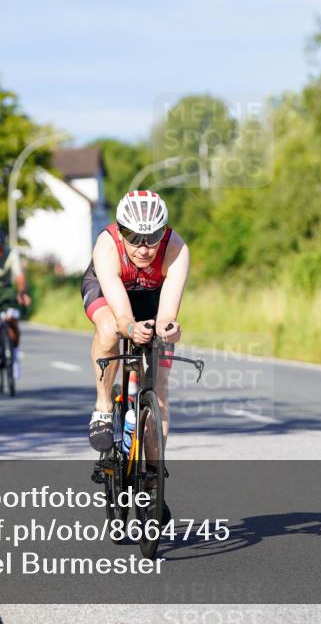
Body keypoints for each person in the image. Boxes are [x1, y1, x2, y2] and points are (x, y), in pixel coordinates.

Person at [81, 191, 189, 495]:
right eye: (133, 236)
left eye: (152, 237)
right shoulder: (107, 245)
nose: (143, 248)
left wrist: (170, 329)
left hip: (150, 297)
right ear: (120, 230)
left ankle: (153, 473)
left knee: (161, 388)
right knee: (109, 331)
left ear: (164, 232)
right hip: (109, 293)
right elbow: (122, 317)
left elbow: (167, 313)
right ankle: (103, 407)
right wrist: (130, 327)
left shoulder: (176, 249)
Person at [0, 223, 31, 378]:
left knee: (12, 319)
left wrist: (21, 292)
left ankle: (15, 356)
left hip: (6, 289)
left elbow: (19, 276)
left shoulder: (11, 254)